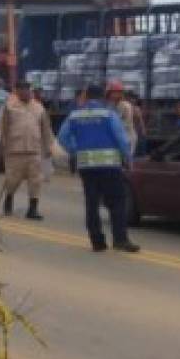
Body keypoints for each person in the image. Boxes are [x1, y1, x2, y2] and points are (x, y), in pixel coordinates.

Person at [57, 83, 140, 253]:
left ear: (86, 97)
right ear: (103, 97)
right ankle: (120, 239)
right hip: (109, 165)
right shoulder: (109, 114)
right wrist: (128, 159)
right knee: (117, 202)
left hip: (86, 166)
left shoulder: (74, 115)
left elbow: (62, 138)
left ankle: (97, 242)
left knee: (92, 202)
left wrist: (76, 151)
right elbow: (122, 139)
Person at [0, 79, 54, 220]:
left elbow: (46, 129)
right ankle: (8, 200)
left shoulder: (39, 107)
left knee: (36, 181)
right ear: (16, 91)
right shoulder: (9, 107)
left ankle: (33, 209)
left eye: (27, 89)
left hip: (34, 150)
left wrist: (48, 147)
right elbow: (1, 127)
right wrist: (1, 143)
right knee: (12, 180)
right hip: (14, 150)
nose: (25, 92)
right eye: (21, 89)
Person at [106, 80, 137, 156]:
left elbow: (124, 123)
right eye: (112, 92)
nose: (113, 95)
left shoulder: (125, 105)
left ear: (120, 93)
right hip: (116, 137)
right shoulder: (110, 105)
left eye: (116, 92)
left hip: (127, 136)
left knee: (125, 160)